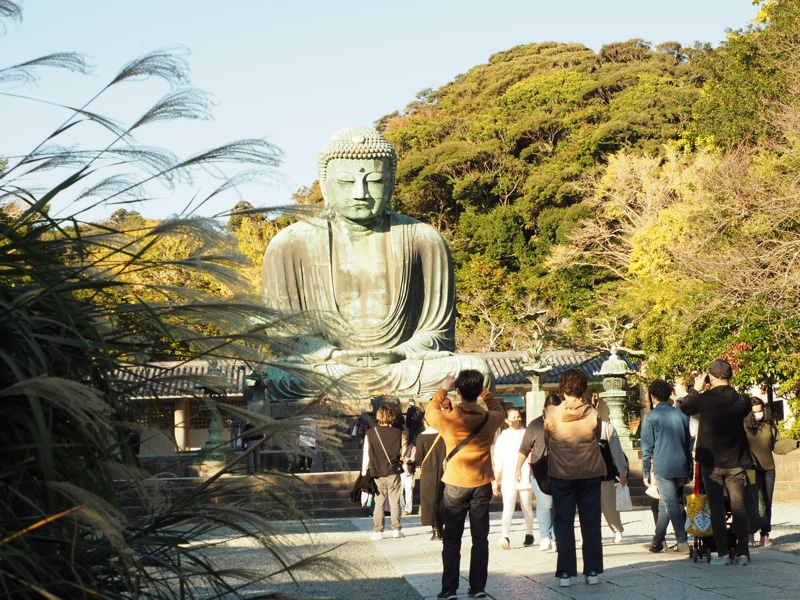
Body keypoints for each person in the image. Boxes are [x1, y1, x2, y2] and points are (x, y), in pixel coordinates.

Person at [261, 126, 492, 401]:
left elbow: (438, 334)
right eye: (346, 183)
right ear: (325, 184)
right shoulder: (290, 244)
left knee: (475, 369)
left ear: (391, 183)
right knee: (276, 376)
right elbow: (284, 338)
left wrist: (401, 352)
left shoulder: (423, 239)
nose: (360, 193)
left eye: (374, 181)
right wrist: (334, 354)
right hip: (330, 368)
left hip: (401, 366)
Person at [424, 370, 505, 600]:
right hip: (481, 483)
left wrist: (443, 389)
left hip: (455, 483)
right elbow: (498, 409)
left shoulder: (449, 419)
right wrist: (486, 393)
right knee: (480, 538)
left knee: (452, 538)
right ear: (478, 392)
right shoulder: (490, 419)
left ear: (458, 391)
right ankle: (478, 587)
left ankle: (449, 589)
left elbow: (430, 412)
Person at [679, 359, 751, 566]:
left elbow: (685, 406)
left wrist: (695, 388)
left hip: (711, 463)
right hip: (736, 461)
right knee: (739, 506)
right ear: (730, 376)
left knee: (717, 507)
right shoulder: (742, 400)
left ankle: (721, 553)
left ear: (710, 376)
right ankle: (743, 553)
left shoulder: (704, 399)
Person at [545, 368, 605, 587]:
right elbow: (598, 436)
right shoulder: (593, 413)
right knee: (590, 522)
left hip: (562, 473)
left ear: (562, 388)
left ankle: (565, 573)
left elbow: (548, 437)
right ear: (583, 388)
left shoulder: (552, 414)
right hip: (590, 471)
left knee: (563, 523)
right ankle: (592, 570)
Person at [640, 379, 693, 554]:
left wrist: (646, 471)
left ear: (652, 396)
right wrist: (689, 467)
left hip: (663, 464)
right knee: (665, 504)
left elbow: (647, 447)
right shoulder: (681, 415)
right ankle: (657, 541)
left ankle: (682, 541)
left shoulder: (650, 417)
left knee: (671, 503)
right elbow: (688, 443)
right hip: (681, 462)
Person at [744, 396, 799, 547]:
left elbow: (777, 444)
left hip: (768, 468)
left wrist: (795, 443)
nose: (758, 414)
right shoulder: (743, 424)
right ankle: (749, 534)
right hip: (751, 469)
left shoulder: (769, 423)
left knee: (767, 501)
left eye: (760, 411)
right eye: (755, 412)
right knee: (753, 501)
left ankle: (765, 535)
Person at [515, 393, 561, 552]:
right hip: (539, 470)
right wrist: (518, 469)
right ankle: (545, 536)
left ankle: (556, 538)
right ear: (544, 410)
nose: (553, 414)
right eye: (551, 411)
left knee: (558, 505)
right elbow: (524, 449)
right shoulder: (535, 425)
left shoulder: (564, 423)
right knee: (545, 504)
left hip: (561, 469)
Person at [492, 407, 534, 550]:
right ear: (506, 420)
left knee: (526, 506)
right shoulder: (502, 437)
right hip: (508, 476)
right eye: (513, 417)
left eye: (518, 417)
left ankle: (529, 533)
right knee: (508, 507)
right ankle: (505, 535)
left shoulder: (527, 433)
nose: (516, 419)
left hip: (524, 473)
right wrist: (495, 479)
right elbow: (498, 459)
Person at [361, 405, 404, 540]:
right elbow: (401, 451)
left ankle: (378, 531)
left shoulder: (371, 433)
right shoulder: (398, 432)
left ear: (379, 416)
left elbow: (366, 454)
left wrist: (364, 471)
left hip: (377, 471)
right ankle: (396, 529)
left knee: (379, 502)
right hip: (393, 471)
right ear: (392, 416)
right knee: (395, 501)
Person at [595, 399, 629, 544]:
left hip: (605, 474)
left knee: (609, 506)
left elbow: (617, 452)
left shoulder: (606, 428)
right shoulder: (578, 429)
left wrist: (622, 472)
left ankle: (617, 530)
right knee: (588, 509)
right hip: (584, 475)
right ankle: (588, 535)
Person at [416, 419, 446, 540]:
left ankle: (435, 530)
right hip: (443, 471)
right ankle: (442, 527)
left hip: (428, 472)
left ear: (425, 422)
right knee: (441, 500)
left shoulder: (421, 437)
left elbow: (418, 457)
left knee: (430, 501)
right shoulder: (443, 435)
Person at [400, 431, 417, 515]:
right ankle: (402, 507)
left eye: (405, 440)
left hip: (408, 471)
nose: (404, 442)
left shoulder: (412, 447)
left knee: (408, 491)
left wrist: (406, 459)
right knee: (399, 491)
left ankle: (408, 508)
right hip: (400, 471)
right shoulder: (398, 447)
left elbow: (413, 458)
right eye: (403, 440)